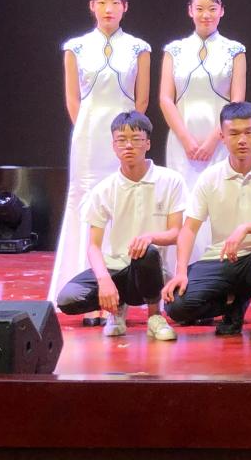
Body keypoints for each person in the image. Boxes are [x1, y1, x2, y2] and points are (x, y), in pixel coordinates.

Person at [49, 0, 151, 326]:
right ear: (91, 6)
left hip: (125, 135)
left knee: (122, 203)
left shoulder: (138, 48)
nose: (109, 8)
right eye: (102, 2)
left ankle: (124, 292)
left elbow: (141, 101)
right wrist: (88, 131)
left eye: (115, 2)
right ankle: (86, 294)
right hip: (89, 137)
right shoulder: (75, 47)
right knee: (86, 204)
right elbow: (73, 99)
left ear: (126, 7)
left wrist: (127, 137)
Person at [162, 101, 251, 344]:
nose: (242, 140)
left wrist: (245, 228)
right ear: (222, 137)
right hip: (222, 260)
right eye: (234, 133)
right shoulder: (210, 177)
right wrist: (180, 272)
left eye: (248, 132)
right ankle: (233, 304)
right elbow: (189, 229)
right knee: (176, 306)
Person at [56, 112, 186, 341]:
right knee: (69, 298)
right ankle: (116, 310)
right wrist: (103, 280)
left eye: (136, 139)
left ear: (148, 143)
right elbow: (93, 246)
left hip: (151, 269)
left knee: (147, 252)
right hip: (116, 267)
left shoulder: (170, 180)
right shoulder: (104, 189)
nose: (128, 146)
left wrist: (150, 237)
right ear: (113, 146)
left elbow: (176, 232)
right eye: (121, 140)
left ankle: (155, 317)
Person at [160, 0, 246, 277]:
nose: (206, 14)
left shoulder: (234, 50)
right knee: (184, 202)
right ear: (190, 11)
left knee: (218, 201)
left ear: (222, 11)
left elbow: (237, 101)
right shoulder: (174, 50)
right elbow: (165, 99)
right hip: (181, 139)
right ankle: (181, 273)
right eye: (200, 9)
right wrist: (186, 139)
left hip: (221, 139)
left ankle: (219, 273)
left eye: (212, 8)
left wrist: (214, 139)